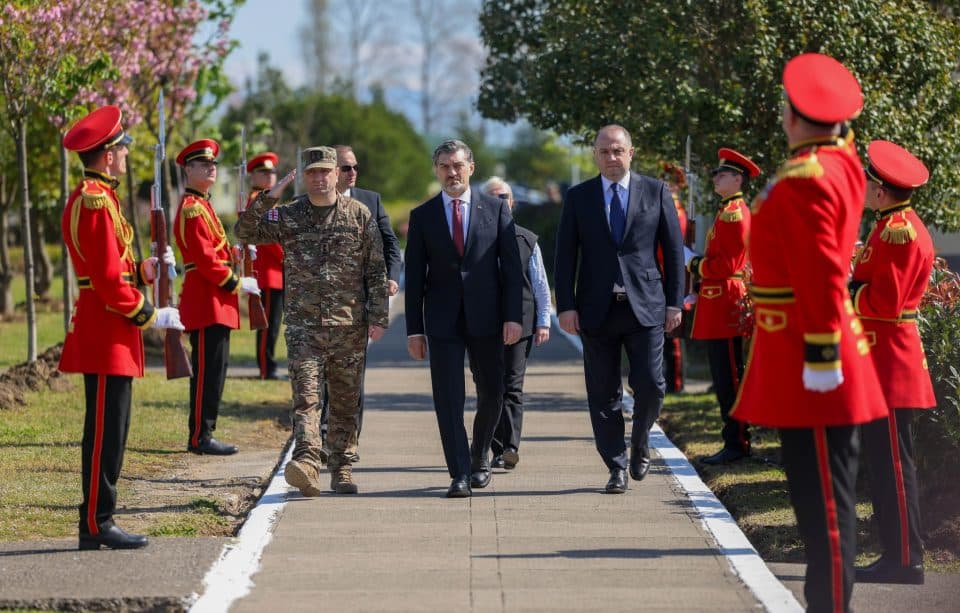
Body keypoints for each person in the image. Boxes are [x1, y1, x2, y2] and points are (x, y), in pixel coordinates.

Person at [731, 54, 888, 613]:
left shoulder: (807, 175)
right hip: (807, 346)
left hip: (811, 354)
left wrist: (821, 358)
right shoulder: (837, 160)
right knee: (821, 500)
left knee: (823, 504)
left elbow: (822, 273)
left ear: (792, 117)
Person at [60, 105, 184, 550]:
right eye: (122, 148)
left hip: (113, 326)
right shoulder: (94, 201)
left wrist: (148, 269)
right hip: (106, 326)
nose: (127, 154)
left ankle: (100, 517)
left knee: (114, 427)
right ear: (108, 154)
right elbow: (109, 282)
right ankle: (96, 521)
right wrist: (152, 315)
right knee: (104, 431)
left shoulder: (103, 198)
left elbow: (117, 268)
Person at [237, 146, 388, 495]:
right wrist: (270, 197)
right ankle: (307, 460)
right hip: (304, 327)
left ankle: (342, 467)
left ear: (338, 174)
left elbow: (376, 271)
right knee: (306, 398)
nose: (319, 179)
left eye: (325, 172)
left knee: (345, 400)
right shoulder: (290, 215)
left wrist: (378, 316)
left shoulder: (359, 215)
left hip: (349, 326)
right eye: (312, 173)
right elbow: (245, 231)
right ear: (303, 178)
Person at [554, 124, 684, 495]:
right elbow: (565, 256)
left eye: (618, 151)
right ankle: (615, 464)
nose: (611, 158)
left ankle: (640, 440)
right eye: (604, 152)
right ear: (595, 155)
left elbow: (673, 252)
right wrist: (566, 306)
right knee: (602, 392)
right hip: (597, 308)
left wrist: (675, 302)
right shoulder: (579, 197)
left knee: (651, 384)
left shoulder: (655, 191)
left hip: (646, 307)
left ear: (631, 153)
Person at [404, 139, 523, 498]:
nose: (451, 172)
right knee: (448, 398)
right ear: (436, 170)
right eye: (444, 166)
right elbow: (415, 279)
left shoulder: (496, 210)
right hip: (442, 322)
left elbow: (512, 269)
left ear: (472, 167)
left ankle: (478, 456)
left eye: (457, 165)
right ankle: (458, 473)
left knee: (493, 391)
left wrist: (513, 317)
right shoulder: (422, 216)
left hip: (488, 319)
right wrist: (414, 330)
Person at [851, 140, 935, 585]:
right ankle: (896, 554)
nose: (863, 186)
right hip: (882, 358)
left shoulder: (897, 230)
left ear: (882, 190)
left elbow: (885, 301)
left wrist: (850, 293)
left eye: (867, 181)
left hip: (889, 362)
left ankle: (905, 559)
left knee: (894, 467)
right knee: (884, 463)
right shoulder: (888, 225)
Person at [312, 145, 403, 461]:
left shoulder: (370, 200)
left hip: (356, 305)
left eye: (354, 167)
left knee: (350, 378)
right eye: (345, 167)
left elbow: (391, 245)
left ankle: (347, 442)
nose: (351, 173)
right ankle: (323, 438)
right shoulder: (309, 202)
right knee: (319, 377)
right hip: (317, 307)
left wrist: (391, 277)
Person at [174, 139, 257, 456]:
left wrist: (235, 254)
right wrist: (237, 282)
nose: (211, 168)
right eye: (203, 164)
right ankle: (199, 435)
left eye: (213, 165)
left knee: (217, 370)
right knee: (207, 371)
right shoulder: (193, 209)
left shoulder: (204, 206)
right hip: (206, 297)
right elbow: (205, 261)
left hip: (216, 299)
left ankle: (206, 431)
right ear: (188, 170)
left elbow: (215, 253)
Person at [687, 148, 759, 465]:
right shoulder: (726, 210)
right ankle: (733, 438)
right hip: (717, 300)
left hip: (726, 300)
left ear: (737, 179)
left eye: (722, 174)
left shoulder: (735, 213)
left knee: (730, 376)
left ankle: (738, 441)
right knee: (723, 375)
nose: (716, 178)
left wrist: (694, 264)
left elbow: (727, 264)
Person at [481, 177, 552, 471]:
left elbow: (540, 284)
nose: (501, 202)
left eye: (505, 197)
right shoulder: (477, 237)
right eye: (494, 197)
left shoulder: (527, 239)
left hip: (521, 323)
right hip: (484, 323)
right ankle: (493, 444)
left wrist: (543, 321)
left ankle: (509, 447)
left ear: (513, 202)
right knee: (490, 387)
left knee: (512, 385)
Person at [246, 152, 285, 380]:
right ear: (254, 176)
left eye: (272, 172)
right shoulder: (259, 201)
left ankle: (268, 365)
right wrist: (289, 256)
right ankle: (265, 367)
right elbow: (270, 238)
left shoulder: (270, 200)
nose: (270, 176)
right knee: (268, 325)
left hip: (277, 271)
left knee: (274, 325)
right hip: (269, 272)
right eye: (264, 172)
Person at [658, 162, 689, 394]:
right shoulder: (666, 208)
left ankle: (675, 383)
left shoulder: (676, 212)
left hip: (669, 276)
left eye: (669, 184)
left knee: (672, 334)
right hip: (659, 275)